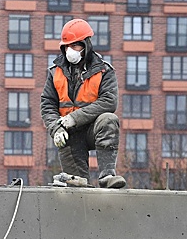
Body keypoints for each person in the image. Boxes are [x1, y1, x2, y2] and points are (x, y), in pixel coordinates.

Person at [40, 19, 126, 189]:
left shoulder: (104, 71)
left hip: (92, 129)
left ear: (86, 45)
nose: (69, 50)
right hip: (69, 135)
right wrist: (55, 128)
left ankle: (107, 176)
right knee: (77, 189)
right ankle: (78, 181)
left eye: (75, 46)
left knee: (108, 119)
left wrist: (75, 118)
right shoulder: (55, 73)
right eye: (66, 46)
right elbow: (47, 104)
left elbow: (109, 101)